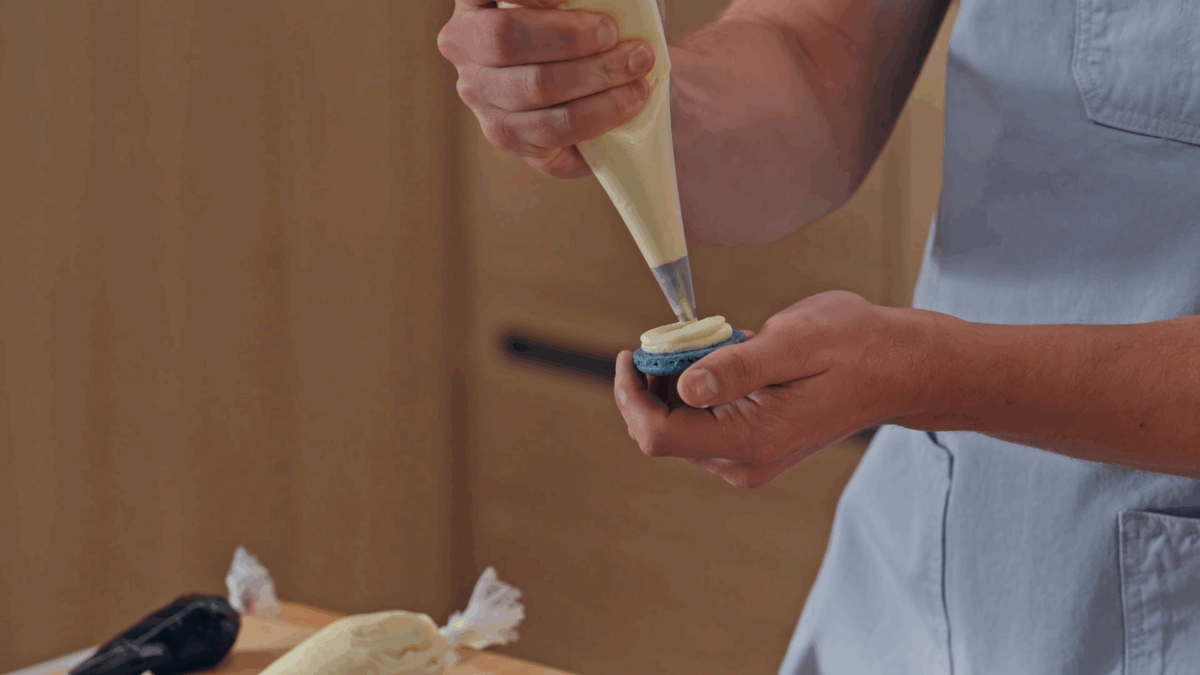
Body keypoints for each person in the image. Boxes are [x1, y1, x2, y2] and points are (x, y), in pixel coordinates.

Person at [438, 0, 1200, 672]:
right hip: (931, 586)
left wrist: (933, 375)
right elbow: (813, 51)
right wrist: (620, 97)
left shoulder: (923, 375)